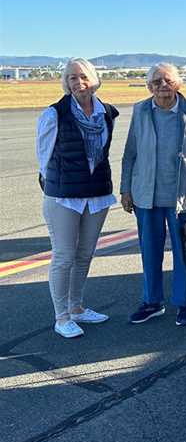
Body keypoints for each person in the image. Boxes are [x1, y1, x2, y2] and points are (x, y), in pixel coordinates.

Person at [120, 63, 186, 326]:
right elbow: (130, 153)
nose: (163, 86)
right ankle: (152, 302)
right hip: (145, 195)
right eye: (157, 82)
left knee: (184, 254)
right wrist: (125, 188)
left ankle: (183, 303)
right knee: (150, 250)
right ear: (149, 86)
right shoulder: (140, 111)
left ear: (178, 84)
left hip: (182, 196)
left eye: (168, 80)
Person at [36, 58, 118, 338]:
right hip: (64, 196)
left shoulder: (106, 112)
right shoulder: (53, 114)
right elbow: (43, 156)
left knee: (84, 255)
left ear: (94, 79)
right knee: (63, 256)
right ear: (66, 82)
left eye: (82, 76)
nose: (78, 82)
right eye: (71, 78)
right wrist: (53, 186)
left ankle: (77, 307)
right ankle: (61, 317)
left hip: (96, 193)